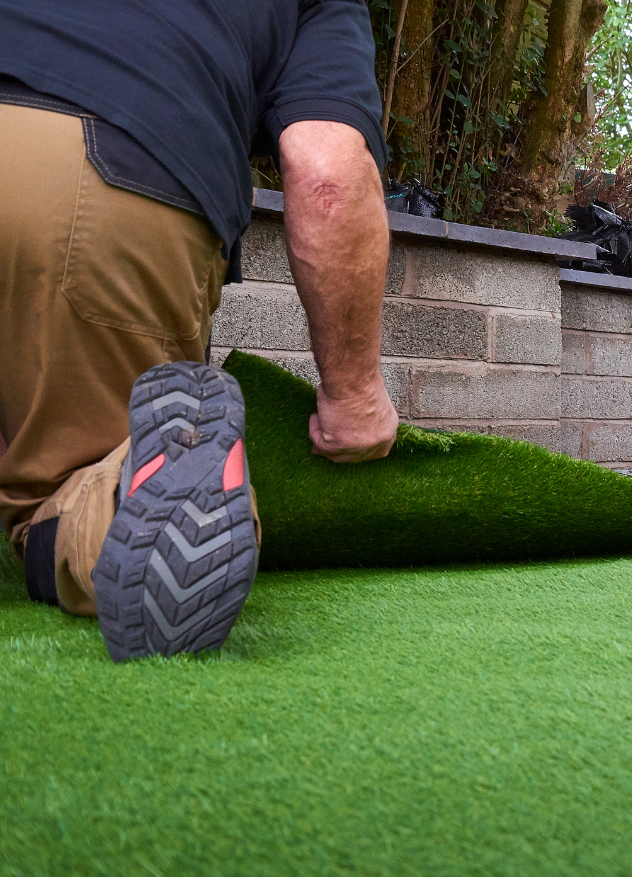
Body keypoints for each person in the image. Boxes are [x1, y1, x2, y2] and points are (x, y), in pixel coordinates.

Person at [0, 0, 399, 660]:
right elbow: (328, 174)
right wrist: (354, 396)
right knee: (68, 487)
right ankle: (127, 494)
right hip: (101, 191)